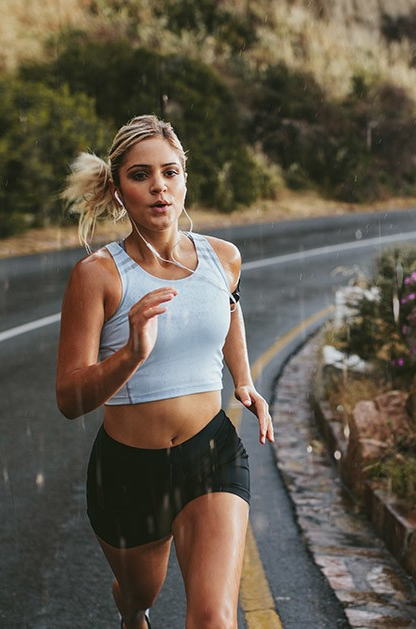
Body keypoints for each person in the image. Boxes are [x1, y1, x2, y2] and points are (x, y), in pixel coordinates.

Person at [54, 114, 273, 629]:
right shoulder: (97, 277)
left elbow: (229, 308)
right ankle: (133, 614)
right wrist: (130, 353)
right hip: (128, 473)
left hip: (211, 454)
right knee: (138, 594)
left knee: (215, 619)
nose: (159, 186)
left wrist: (242, 379)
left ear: (184, 181)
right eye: (141, 175)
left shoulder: (224, 258)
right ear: (118, 189)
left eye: (170, 172)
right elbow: (68, 398)